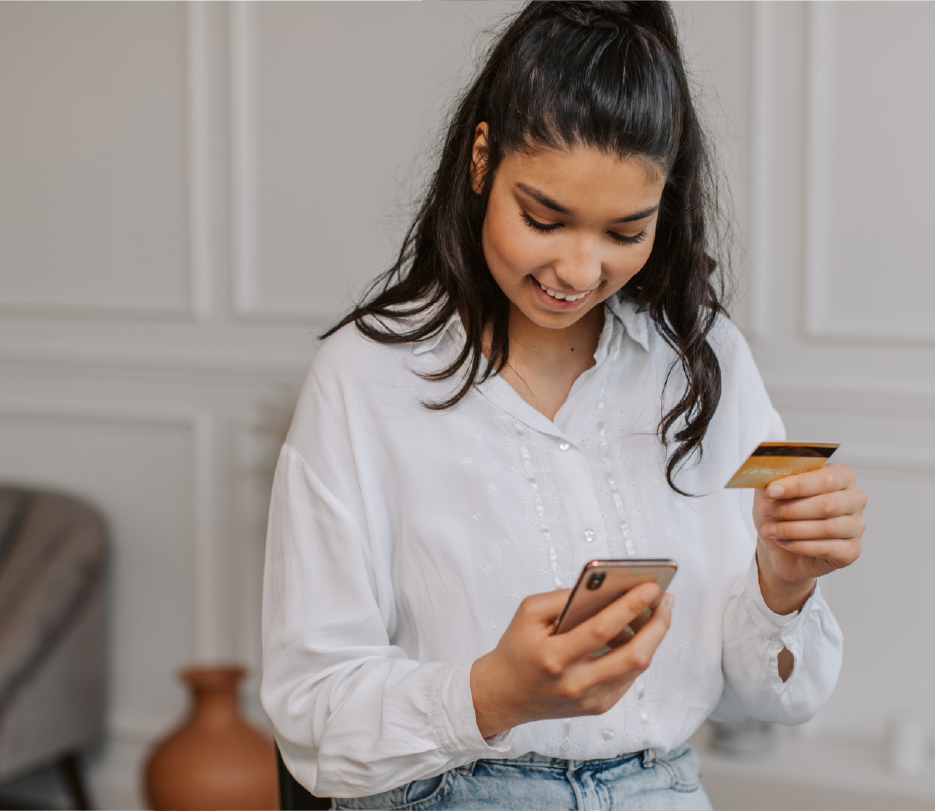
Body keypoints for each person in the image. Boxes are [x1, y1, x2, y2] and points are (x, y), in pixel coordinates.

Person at [261, 1, 867, 808]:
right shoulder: (364, 375)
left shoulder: (705, 359)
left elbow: (772, 700)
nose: (578, 270)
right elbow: (310, 714)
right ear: (481, 160)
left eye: (625, 232)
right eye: (543, 218)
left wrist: (784, 582)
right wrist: (491, 694)